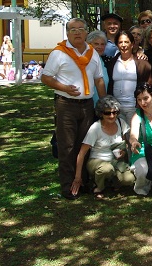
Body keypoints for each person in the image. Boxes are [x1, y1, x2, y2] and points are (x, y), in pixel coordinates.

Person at [41, 18, 107, 200]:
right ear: (67, 33)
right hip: (66, 104)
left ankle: (82, 182)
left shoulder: (92, 52)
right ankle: (68, 186)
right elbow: (45, 78)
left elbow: (99, 80)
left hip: (86, 105)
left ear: (86, 32)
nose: (77, 32)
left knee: (84, 145)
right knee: (67, 146)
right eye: (73, 30)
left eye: (81, 29)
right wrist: (64, 87)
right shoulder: (59, 53)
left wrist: (104, 103)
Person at [71, 95, 135, 199]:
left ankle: (112, 182)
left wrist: (124, 151)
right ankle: (97, 187)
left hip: (116, 162)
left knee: (129, 179)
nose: (112, 116)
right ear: (101, 113)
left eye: (115, 112)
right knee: (106, 169)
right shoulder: (95, 128)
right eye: (107, 113)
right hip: (97, 161)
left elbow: (125, 143)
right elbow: (81, 153)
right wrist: (78, 177)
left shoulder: (120, 123)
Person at [105, 30, 152, 123]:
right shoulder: (111, 63)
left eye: (126, 42)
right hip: (115, 108)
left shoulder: (142, 63)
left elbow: (149, 84)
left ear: (132, 44)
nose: (123, 45)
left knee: (134, 135)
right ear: (117, 45)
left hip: (135, 107)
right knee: (119, 135)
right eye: (120, 42)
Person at [86, 30, 110, 106]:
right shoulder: (85, 60)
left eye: (102, 44)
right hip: (88, 105)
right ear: (88, 44)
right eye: (96, 44)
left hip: (101, 104)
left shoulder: (104, 60)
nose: (100, 47)